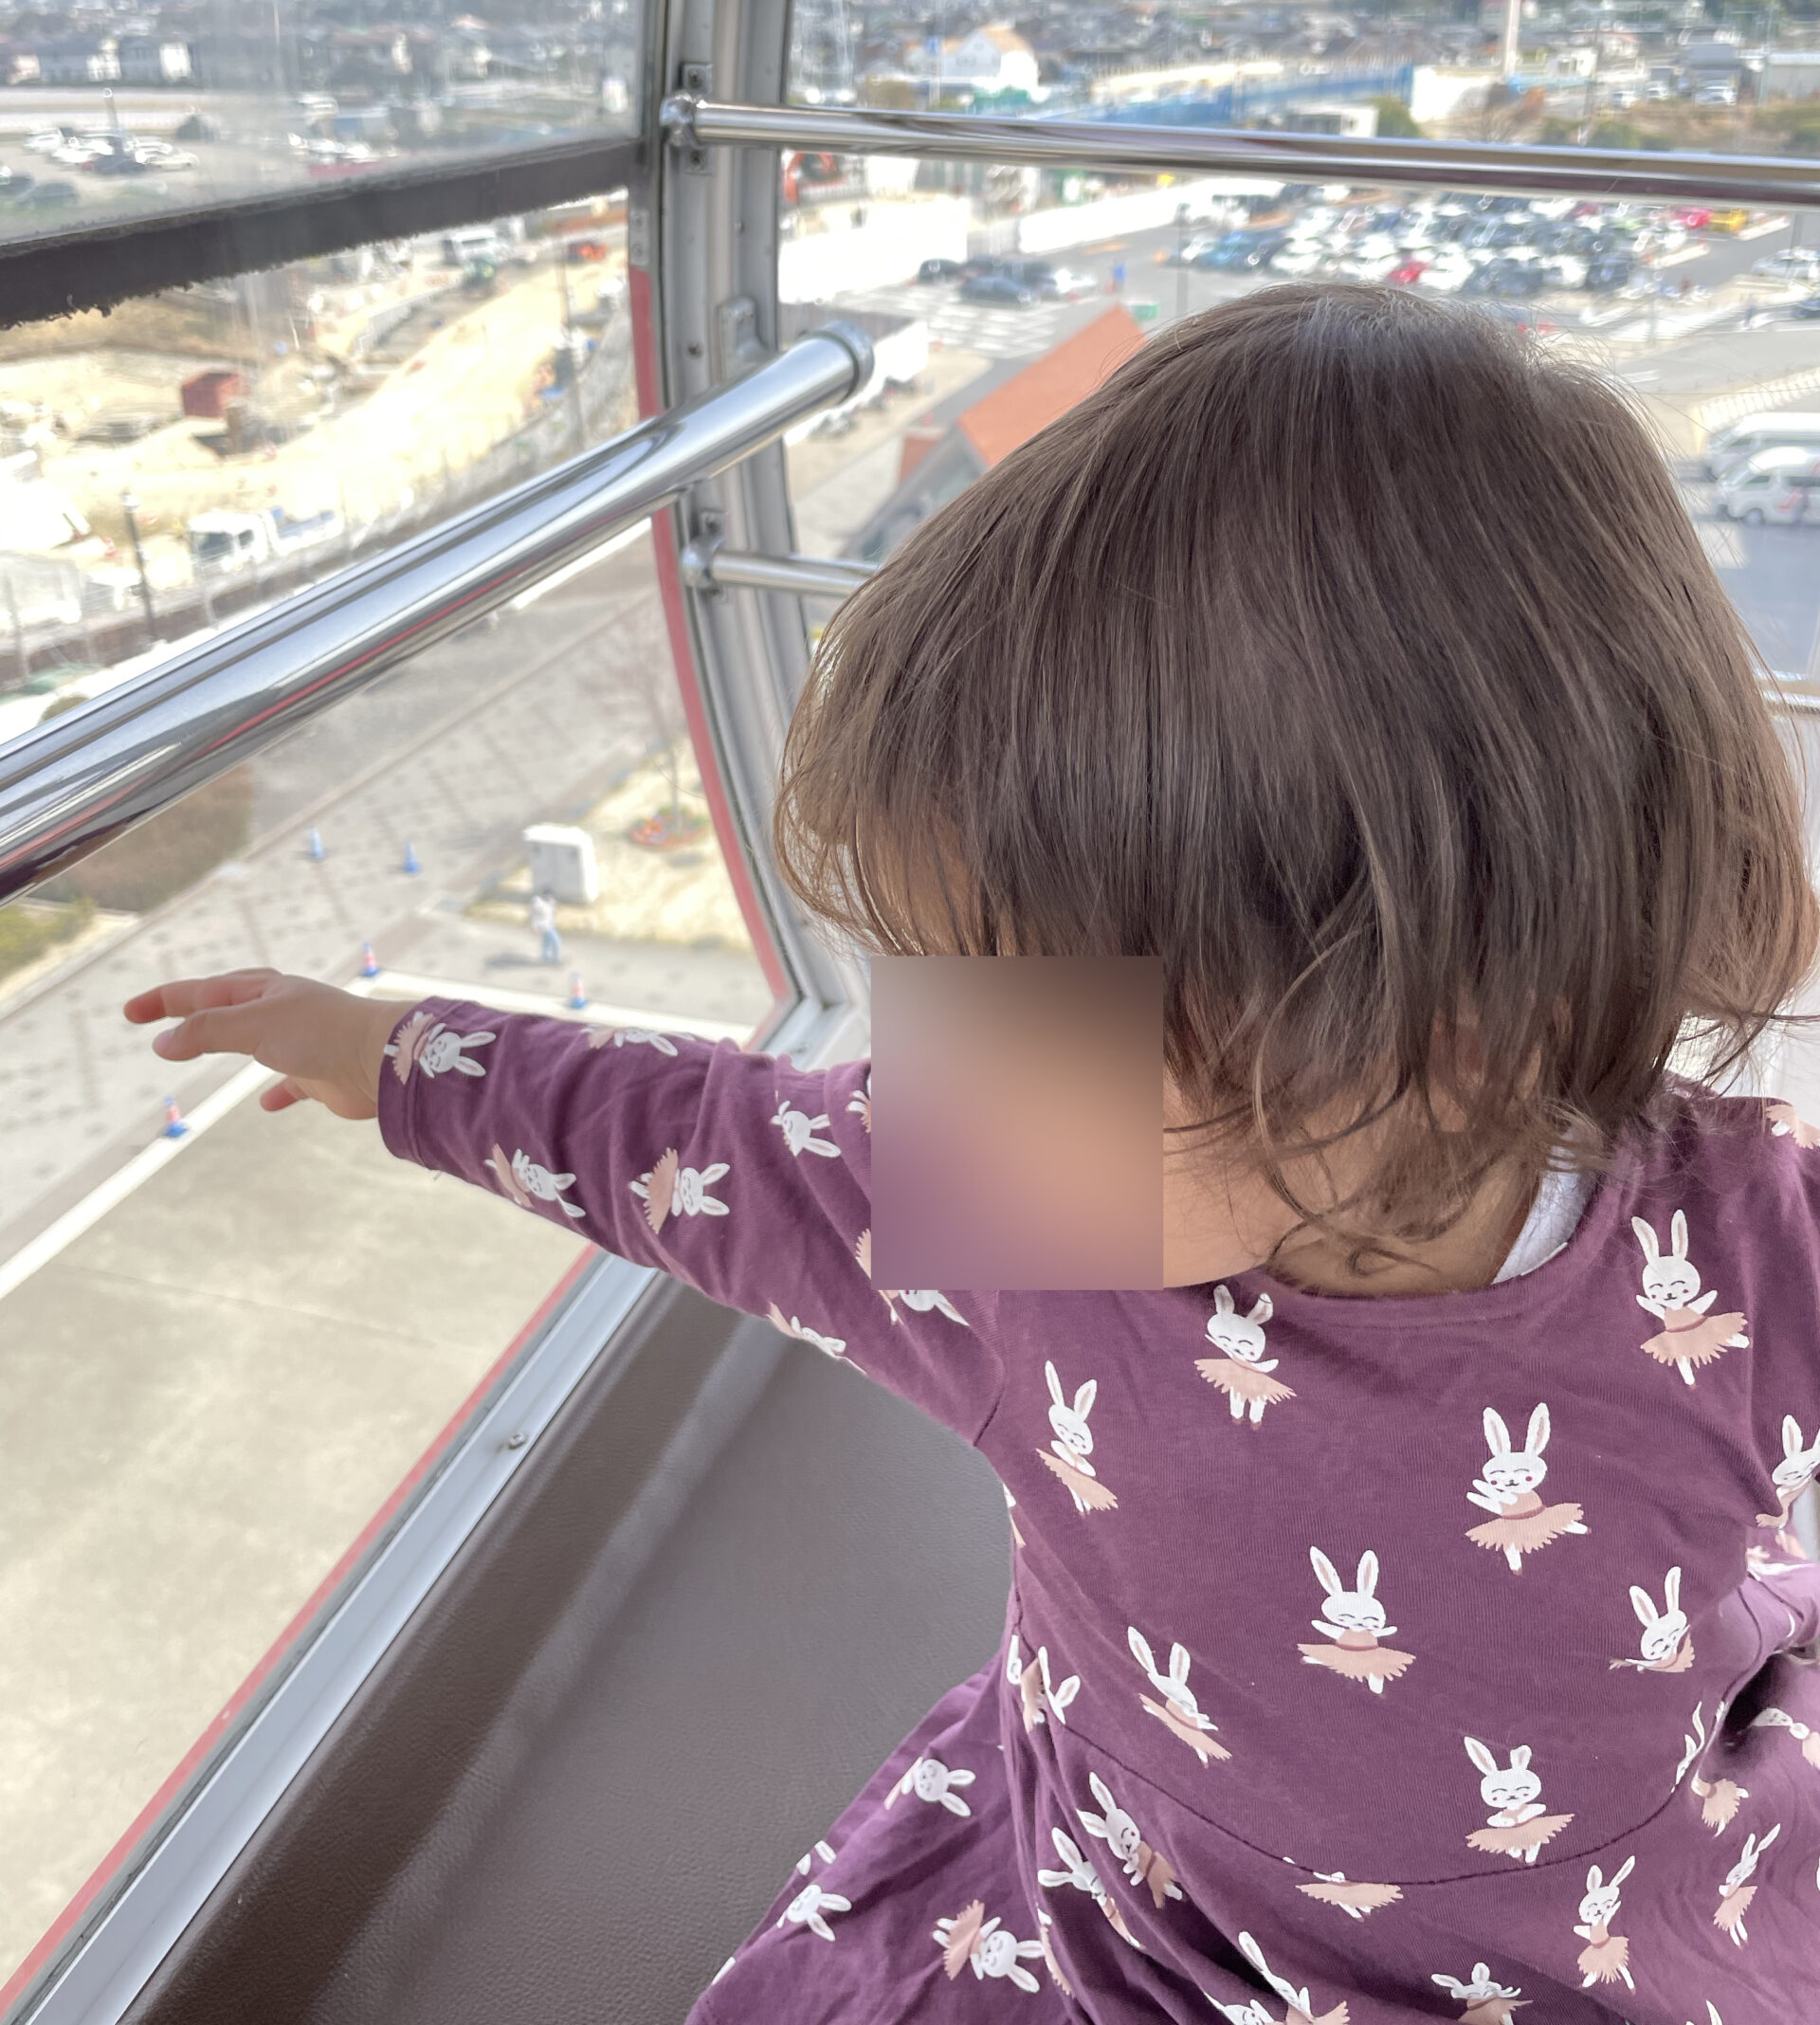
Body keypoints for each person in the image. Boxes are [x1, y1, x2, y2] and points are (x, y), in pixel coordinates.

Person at [124, 284, 1820, 2024]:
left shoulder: (1752, 1252)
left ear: (1442, 1024)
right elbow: (696, 1142)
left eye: (1038, 1017)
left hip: (1586, 1934)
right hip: (1134, 1899)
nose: (925, 1090)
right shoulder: (1036, 1192)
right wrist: (395, 1056)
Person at [528, 886, 561, 965]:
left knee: (546, 943)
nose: (550, 897)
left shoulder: (551, 902)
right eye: (548, 895)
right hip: (543, 926)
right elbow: (533, 915)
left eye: (551, 895)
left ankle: (545, 958)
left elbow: (552, 914)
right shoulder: (538, 904)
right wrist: (534, 927)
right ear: (544, 895)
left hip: (550, 925)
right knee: (556, 942)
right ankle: (555, 960)